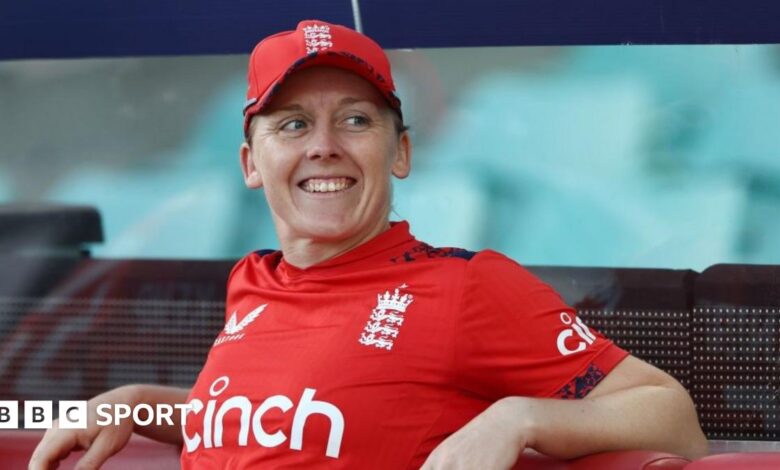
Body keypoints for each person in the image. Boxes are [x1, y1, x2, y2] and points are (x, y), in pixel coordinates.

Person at [29, 19, 707, 470]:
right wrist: (138, 402)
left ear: (400, 152)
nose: (324, 146)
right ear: (250, 163)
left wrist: (518, 419)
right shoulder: (253, 281)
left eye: (355, 120)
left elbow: (672, 418)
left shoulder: (465, 288)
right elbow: (271, 423)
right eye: (293, 124)